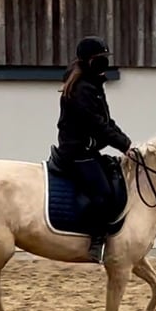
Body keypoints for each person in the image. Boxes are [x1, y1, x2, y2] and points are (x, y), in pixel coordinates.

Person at [54, 36, 133, 264]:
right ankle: (95, 241)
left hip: (88, 150)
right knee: (103, 193)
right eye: (100, 59)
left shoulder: (94, 84)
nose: (104, 64)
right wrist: (123, 145)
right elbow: (96, 126)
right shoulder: (81, 88)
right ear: (88, 61)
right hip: (76, 151)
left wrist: (127, 143)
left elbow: (106, 120)